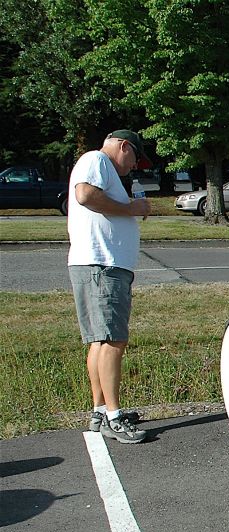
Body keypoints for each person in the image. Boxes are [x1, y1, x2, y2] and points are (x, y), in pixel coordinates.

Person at [67, 129, 153, 444]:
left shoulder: (102, 167)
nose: (133, 166)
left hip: (97, 265)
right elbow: (85, 195)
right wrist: (133, 208)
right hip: (103, 265)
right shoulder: (97, 160)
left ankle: (100, 410)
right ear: (123, 146)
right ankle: (114, 418)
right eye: (134, 158)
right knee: (114, 340)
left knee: (100, 341)